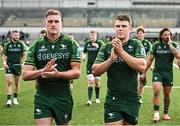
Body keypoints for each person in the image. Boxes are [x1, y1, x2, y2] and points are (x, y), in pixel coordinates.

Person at [22, 9, 81, 125]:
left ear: (61, 24)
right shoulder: (36, 45)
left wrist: (57, 74)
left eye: (56, 21)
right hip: (42, 95)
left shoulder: (71, 43)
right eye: (50, 21)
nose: (53, 24)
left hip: (63, 96)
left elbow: (77, 72)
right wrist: (42, 71)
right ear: (45, 24)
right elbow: (25, 74)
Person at [92, 14, 146, 125]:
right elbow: (95, 71)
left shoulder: (136, 44)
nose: (120, 28)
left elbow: (141, 66)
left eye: (124, 26)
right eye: (117, 26)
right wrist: (111, 59)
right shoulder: (106, 47)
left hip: (131, 98)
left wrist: (121, 52)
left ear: (130, 29)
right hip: (113, 99)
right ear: (114, 28)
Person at [141, 28, 180, 122]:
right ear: (161, 36)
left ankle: (165, 113)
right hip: (157, 72)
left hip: (168, 73)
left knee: (167, 94)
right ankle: (156, 113)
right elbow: (150, 60)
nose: (167, 36)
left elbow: (178, 56)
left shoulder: (174, 44)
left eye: (169, 35)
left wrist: (170, 45)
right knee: (156, 90)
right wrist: (144, 73)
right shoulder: (156, 45)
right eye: (165, 34)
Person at [2, 30, 27, 107]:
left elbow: (24, 53)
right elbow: (3, 55)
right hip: (9, 65)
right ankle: (9, 100)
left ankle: (15, 98)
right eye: (15, 35)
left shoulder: (21, 44)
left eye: (17, 35)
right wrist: (4, 62)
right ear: (12, 36)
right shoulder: (8, 44)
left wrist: (22, 62)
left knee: (16, 83)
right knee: (9, 82)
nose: (17, 36)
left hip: (17, 66)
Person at [82, 30, 104, 105]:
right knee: (91, 81)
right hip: (89, 66)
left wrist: (98, 47)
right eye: (91, 36)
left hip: (98, 66)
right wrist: (83, 57)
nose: (92, 37)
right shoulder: (87, 44)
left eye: (93, 36)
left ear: (96, 36)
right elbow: (84, 52)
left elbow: (104, 50)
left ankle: (97, 98)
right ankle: (89, 100)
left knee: (97, 82)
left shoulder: (100, 43)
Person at [136, 26, 152, 104]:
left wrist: (151, 65)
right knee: (134, 82)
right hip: (134, 65)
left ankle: (139, 97)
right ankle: (134, 97)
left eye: (141, 33)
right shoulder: (134, 42)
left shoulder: (147, 43)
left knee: (141, 83)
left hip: (143, 66)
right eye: (138, 33)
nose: (140, 35)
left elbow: (150, 55)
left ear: (144, 34)